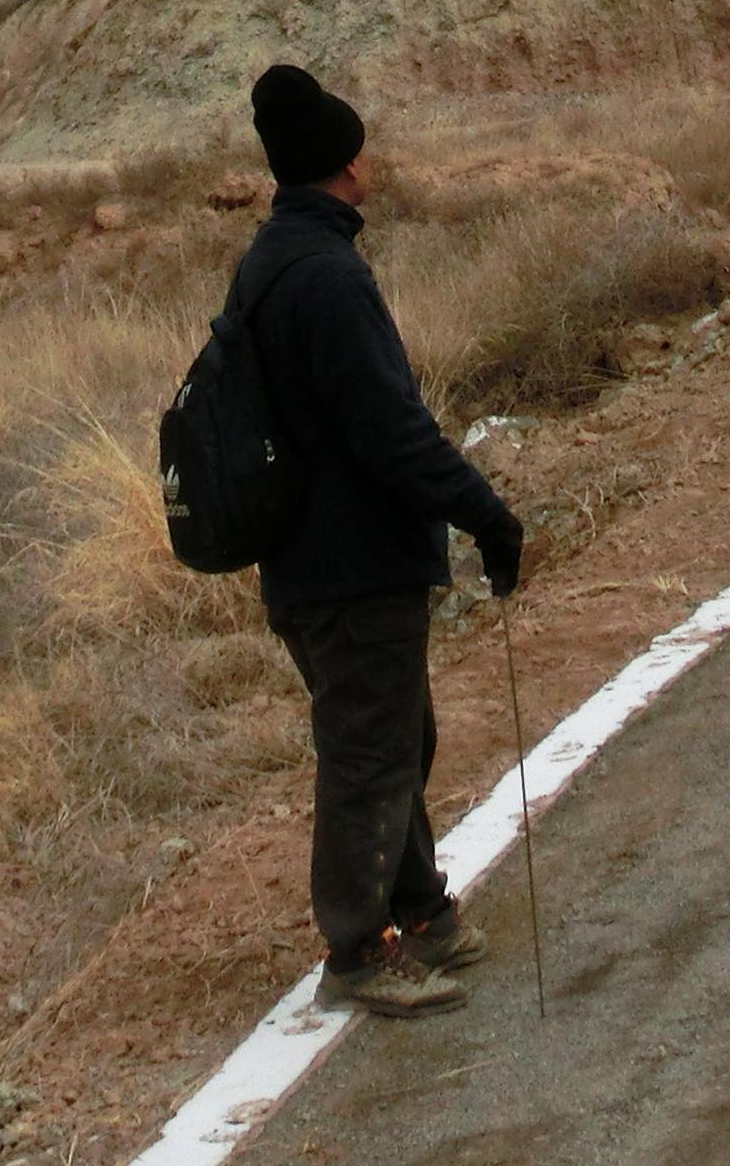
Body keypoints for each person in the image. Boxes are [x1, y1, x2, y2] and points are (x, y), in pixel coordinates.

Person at [233, 63, 527, 1020]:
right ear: (340, 163)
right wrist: (486, 512)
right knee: (369, 750)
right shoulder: (327, 277)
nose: (370, 162)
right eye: (359, 148)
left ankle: (420, 909)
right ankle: (358, 948)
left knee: (398, 737)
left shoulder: (271, 260)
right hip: (349, 564)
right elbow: (393, 431)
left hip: (308, 563)